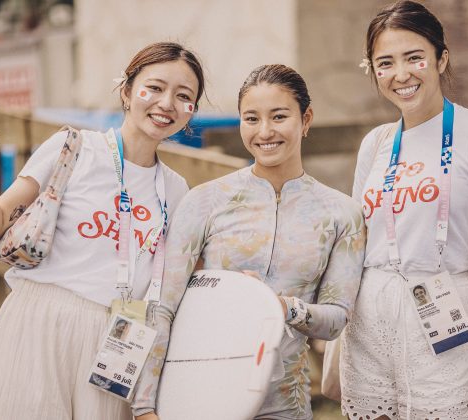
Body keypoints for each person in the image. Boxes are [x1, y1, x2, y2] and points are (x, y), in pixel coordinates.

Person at [0, 41, 205, 420]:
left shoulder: (176, 191)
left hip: (116, 342)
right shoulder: (73, 148)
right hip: (38, 325)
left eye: (183, 96)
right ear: (127, 91)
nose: (166, 103)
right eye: (155, 88)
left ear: (190, 112)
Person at [143, 64, 365, 419]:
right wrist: (143, 406)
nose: (265, 132)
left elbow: (337, 318)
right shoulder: (205, 201)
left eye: (279, 116)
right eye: (251, 118)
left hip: (287, 405)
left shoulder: (343, 214)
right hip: (202, 397)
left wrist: (284, 308)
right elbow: (162, 305)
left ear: (306, 119)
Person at [341, 2, 468, 419]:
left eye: (414, 57)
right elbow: (356, 241)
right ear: (372, 70)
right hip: (371, 322)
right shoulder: (376, 143)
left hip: (448, 317)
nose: (401, 74)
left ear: (441, 59)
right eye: (385, 62)